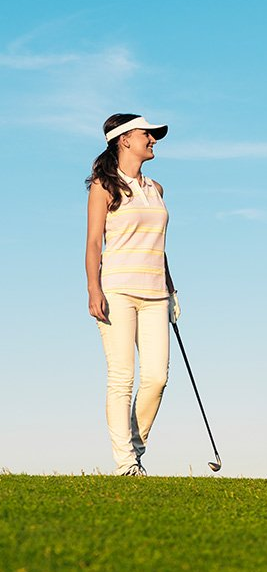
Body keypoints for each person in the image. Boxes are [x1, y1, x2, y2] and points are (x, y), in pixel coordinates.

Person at [85, 113, 180, 476]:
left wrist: (171, 290)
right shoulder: (104, 186)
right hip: (118, 290)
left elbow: (159, 245)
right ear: (124, 140)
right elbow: (94, 242)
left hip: (156, 292)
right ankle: (126, 463)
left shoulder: (156, 188)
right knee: (122, 376)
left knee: (156, 377)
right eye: (147, 134)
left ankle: (135, 449)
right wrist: (93, 288)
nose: (153, 140)